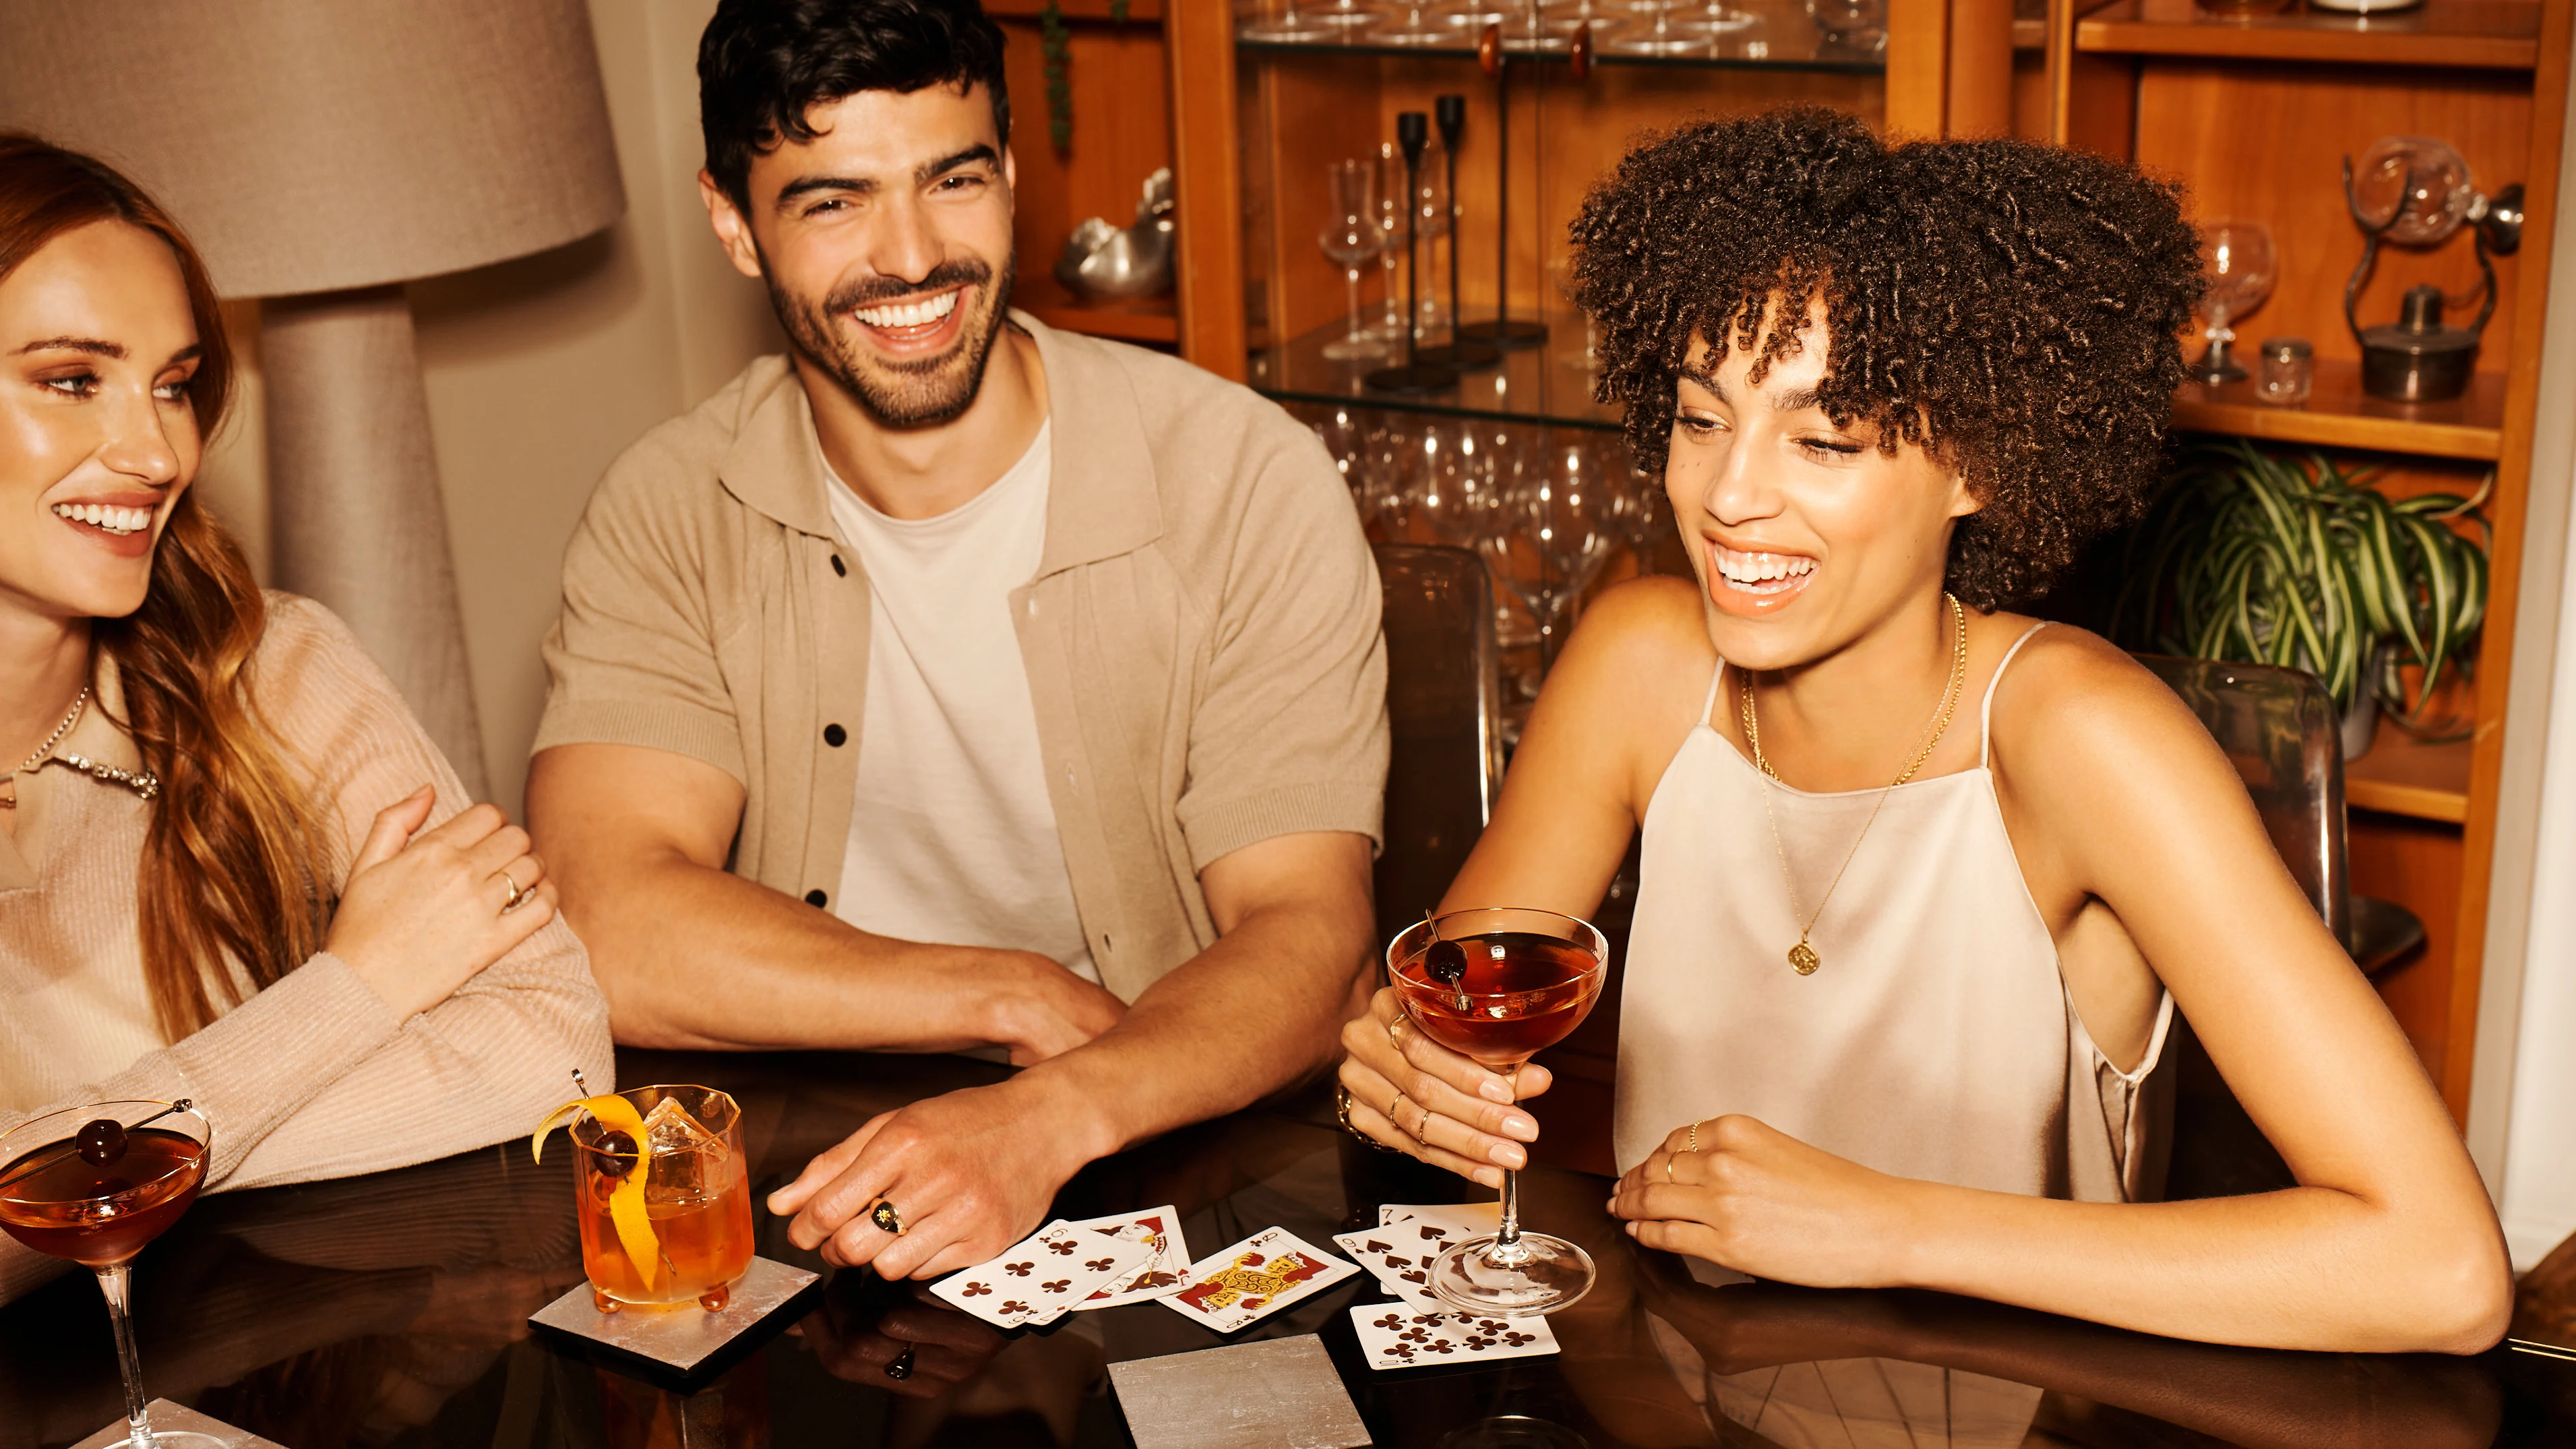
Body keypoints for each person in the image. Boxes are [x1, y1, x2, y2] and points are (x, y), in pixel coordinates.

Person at [1334, 109, 2512, 1353]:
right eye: (1699, 418)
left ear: (1980, 464)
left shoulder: (2083, 737)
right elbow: (1451, 1024)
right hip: (1671, 1395)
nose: (1730, 495)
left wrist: (1887, 1228)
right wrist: (1403, 1080)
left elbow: (2439, 1269)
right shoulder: (1636, 661)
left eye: (1824, 438)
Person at [526, 0, 1385, 1281]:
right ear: (733, 223)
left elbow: (1308, 940)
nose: (913, 255)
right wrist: (1001, 993)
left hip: (1173, 1151)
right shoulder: (669, 508)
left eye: (954, 179)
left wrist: (1044, 1111)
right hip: (809, 1174)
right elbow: (606, 917)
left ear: (1013, 175)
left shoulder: (1242, 477)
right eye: (833, 203)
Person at [0, 135, 615, 1301]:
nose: (156, 450)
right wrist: (358, 993)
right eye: (72, 378)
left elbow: (556, 1038)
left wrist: (86, 1170)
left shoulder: (269, 666)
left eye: (173, 384)